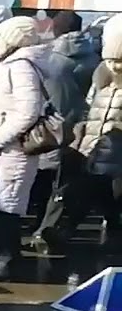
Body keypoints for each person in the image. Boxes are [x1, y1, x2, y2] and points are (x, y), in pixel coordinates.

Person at [35, 14, 122, 252]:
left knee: (110, 200)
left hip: (117, 154)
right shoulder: (102, 79)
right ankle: (64, 233)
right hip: (95, 148)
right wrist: (82, 137)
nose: (115, 66)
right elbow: (90, 109)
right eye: (112, 60)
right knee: (85, 193)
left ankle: (103, 240)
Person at [0, 16, 47, 282]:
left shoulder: (21, 67)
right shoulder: (13, 66)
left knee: (7, 208)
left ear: (12, 41)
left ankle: (6, 263)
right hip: (2, 150)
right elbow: (12, 106)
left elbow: (28, 112)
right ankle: (4, 258)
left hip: (11, 152)